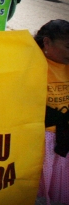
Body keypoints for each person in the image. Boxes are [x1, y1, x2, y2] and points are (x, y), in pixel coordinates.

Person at [36, 20, 69, 205]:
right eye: (68, 46)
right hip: (40, 142)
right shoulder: (27, 60)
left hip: (63, 143)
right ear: (47, 42)